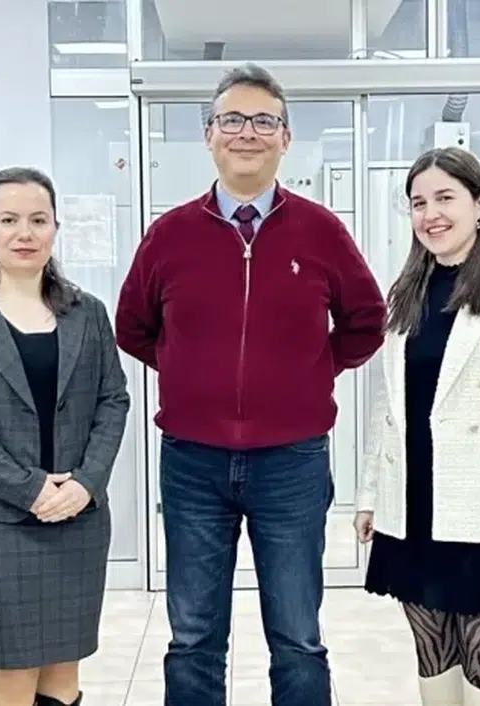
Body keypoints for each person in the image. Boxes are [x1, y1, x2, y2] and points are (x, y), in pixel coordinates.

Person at [115, 63, 387, 706]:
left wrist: (308, 370)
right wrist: (191, 370)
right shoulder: (169, 234)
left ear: (285, 139)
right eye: (232, 119)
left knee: (297, 637)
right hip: (192, 461)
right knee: (193, 637)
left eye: (264, 121)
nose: (247, 132)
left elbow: (367, 321)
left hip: (292, 462)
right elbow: (133, 327)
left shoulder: (321, 230)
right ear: (209, 135)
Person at [354, 147, 480, 706]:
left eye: (445, 198)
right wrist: (370, 493)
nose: (431, 214)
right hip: (412, 502)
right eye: (419, 203)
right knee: (432, 649)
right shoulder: (406, 292)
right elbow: (389, 405)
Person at [0, 167, 131, 706]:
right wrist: (31, 488)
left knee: (62, 678)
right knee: (13, 676)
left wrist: (85, 484)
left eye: (38, 220)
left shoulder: (87, 312)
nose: (25, 233)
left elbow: (113, 400)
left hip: (78, 519)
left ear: (55, 229)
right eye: (9, 220)